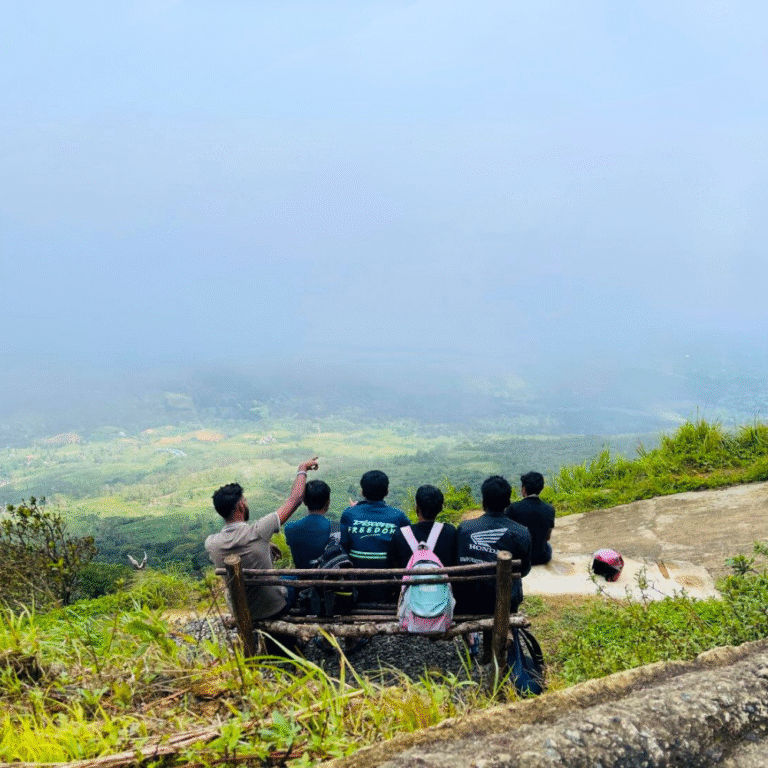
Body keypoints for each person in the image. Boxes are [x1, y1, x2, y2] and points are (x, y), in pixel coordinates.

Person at [205, 457, 319, 653]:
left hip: (241, 610)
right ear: (240, 506)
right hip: (271, 607)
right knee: (296, 578)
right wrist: (302, 469)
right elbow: (296, 499)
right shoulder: (258, 532)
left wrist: (265, 545)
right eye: (245, 500)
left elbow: (239, 547)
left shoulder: (212, 543)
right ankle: (291, 638)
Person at [455, 475, 532, 615]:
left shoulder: (464, 528)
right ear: (508, 502)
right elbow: (524, 571)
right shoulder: (521, 532)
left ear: (483, 500)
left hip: (466, 602)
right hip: (503, 604)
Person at [340, 469, 409, 602]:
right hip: (387, 587)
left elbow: (344, 545)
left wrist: (356, 510)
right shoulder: (398, 516)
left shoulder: (349, 514)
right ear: (387, 491)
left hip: (356, 586)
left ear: (362, 492)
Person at [388, 484, 457, 568]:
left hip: (409, 581)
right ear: (440, 509)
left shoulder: (400, 535)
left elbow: (392, 566)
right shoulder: (450, 532)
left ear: (417, 507)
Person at [284, 479, 338, 569]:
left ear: (305, 502)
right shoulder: (338, 528)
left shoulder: (290, 528)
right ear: (328, 502)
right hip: (328, 579)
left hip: (301, 579)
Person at [506, 471, 555, 566]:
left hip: (520, 559)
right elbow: (547, 537)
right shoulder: (550, 509)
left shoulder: (513, 508)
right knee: (547, 546)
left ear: (524, 489)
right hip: (542, 557)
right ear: (541, 488)